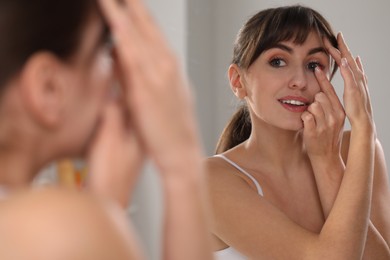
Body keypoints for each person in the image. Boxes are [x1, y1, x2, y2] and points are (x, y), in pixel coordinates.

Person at [0, 0, 212, 259]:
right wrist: (181, 162)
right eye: (105, 48)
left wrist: (105, 203)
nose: (118, 75)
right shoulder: (50, 232)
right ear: (49, 88)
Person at [205, 5, 390, 259]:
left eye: (314, 65)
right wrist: (363, 131)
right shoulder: (210, 180)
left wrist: (330, 159)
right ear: (239, 81)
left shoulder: (356, 150)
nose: (300, 81)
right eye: (277, 61)